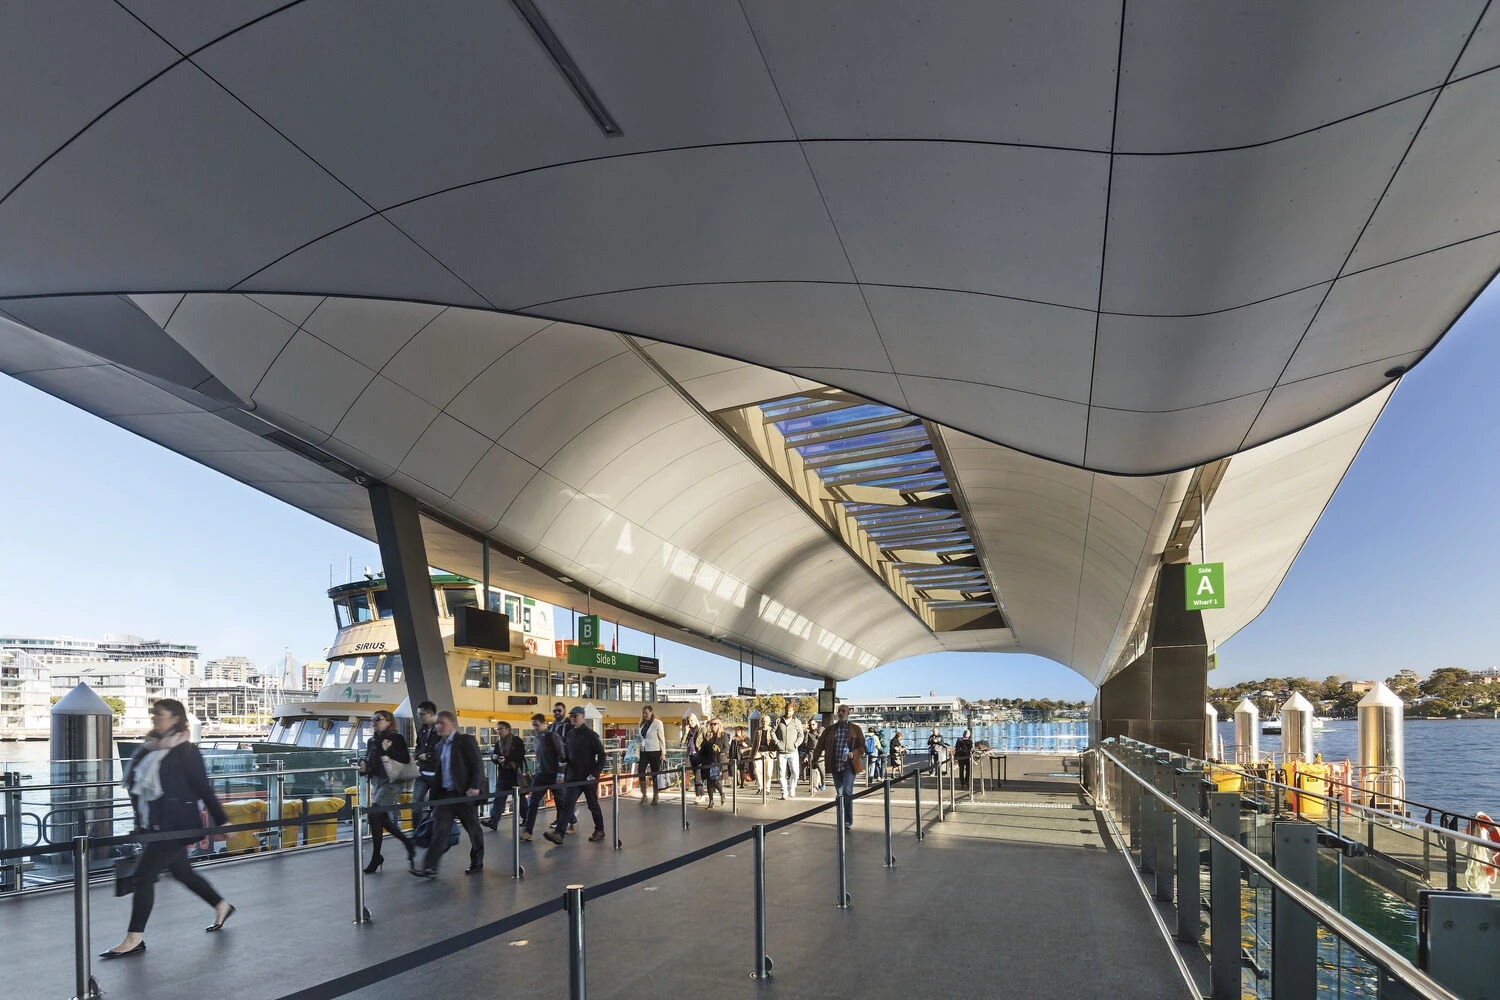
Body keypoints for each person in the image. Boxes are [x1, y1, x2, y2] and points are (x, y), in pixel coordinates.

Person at [101, 698, 234, 959]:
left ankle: (133, 939)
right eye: (153, 714)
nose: (154, 719)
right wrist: (141, 823)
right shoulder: (149, 748)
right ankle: (222, 905)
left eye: (159, 715)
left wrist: (223, 820)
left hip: (176, 825)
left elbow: (203, 788)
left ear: (175, 718)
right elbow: (139, 790)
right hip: (156, 824)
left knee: (143, 877)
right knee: (182, 872)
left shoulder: (187, 750)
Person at [411, 711, 484, 877]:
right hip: (445, 797)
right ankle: (429, 867)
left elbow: (477, 765)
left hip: (464, 796)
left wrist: (474, 787)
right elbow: (440, 773)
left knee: (473, 831)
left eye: (442, 723)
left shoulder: (465, 741)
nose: (438, 726)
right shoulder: (438, 747)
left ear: (452, 724)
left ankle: (477, 862)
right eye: (437, 723)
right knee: (439, 831)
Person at [357, 709, 416, 873]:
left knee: (374, 813)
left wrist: (387, 749)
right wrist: (364, 766)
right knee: (380, 818)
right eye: (372, 718)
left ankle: (377, 856)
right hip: (378, 782)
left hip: (392, 782)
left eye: (377, 718)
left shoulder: (396, 738)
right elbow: (369, 760)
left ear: (389, 722)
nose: (374, 721)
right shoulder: (372, 741)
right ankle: (407, 843)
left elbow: (404, 758)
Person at [544, 707, 607, 844]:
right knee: (567, 805)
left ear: (583, 717)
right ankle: (559, 833)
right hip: (574, 777)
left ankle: (599, 830)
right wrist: (563, 766)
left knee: (593, 804)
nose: (572, 718)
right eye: (571, 716)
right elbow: (567, 754)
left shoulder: (591, 735)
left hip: (588, 777)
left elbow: (602, 755)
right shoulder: (571, 735)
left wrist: (594, 773)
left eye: (575, 716)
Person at [814, 704, 864, 829]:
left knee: (847, 791)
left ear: (848, 714)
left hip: (849, 765)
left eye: (843, 711)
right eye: (839, 711)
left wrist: (854, 753)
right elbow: (820, 745)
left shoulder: (855, 729)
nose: (841, 713)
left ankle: (847, 821)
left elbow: (862, 746)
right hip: (835, 765)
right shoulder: (830, 730)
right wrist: (814, 760)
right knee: (840, 793)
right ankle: (841, 819)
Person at [522, 713, 565, 842]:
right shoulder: (536, 739)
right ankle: (528, 831)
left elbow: (561, 755)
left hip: (554, 775)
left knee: (560, 804)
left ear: (543, 723)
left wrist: (561, 773)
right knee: (533, 802)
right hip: (540, 775)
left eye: (537, 725)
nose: (535, 727)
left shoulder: (553, 737)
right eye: (533, 725)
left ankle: (562, 829)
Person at [482, 721, 525, 830]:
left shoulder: (517, 741)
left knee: (521, 798)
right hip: (503, 773)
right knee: (499, 797)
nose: (498, 731)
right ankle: (493, 821)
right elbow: (495, 757)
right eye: (497, 729)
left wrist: (507, 758)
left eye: (500, 729)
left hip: (515, 773)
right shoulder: (498, 743)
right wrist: (495, 759)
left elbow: (520, 755)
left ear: (507, 729)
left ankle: (526, 818)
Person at [409, 701, 440, 828]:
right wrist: (416, 755)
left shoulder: (441, 729)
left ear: (431, 714)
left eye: (421, 714)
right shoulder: (422, 730)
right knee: (415, 804)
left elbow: (446, 750)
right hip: (423, 773)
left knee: (436, 807)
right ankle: (418, 831)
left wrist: (429, 756)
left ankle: (434, 832)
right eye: (418, 715)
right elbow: (419, 746)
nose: (419, 717)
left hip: (439, 775)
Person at [550, 701, 577, 833]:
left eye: (559, 711)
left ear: (564, 712)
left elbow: (572, 743)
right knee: (558, 794)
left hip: (566, 764)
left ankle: (572, 820)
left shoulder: (569, 726)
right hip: (554, 764)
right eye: (555, 711)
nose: (556, 713)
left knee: (564, 795)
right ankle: (561, 818)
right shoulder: (551, 726)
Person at [772, 704, 804, 799]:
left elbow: (801, 735)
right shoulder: (778, 721)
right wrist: (777, 742)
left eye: (790, 711)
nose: (787, 712)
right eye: (786, 710)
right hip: (781, 752)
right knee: (782, 774)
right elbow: (772, 731)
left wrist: (796, 744)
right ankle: (784, 792)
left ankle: (792, 788)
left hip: (793, 751)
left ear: (793, 711)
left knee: (795, 772)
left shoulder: (797, 722)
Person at [636, 704, 666, 804]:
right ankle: (644, 795)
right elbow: (639, 738)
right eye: (643, 713)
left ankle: (655, 795)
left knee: (655, 773)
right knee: (641, 771)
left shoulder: (658, 723)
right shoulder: (642, 724)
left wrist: (663, 752)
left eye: (646, 713)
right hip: (643, 750)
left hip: (655, 750)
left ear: (651, 712)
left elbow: (662, 738)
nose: (644, 715)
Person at [697, 718, 727, 808]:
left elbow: (726, 748)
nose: (713, 726)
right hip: (708, 761)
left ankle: (722, 793)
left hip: (717, 761)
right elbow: (703, 746)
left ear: (719, 725)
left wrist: (720, 751)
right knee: (709, 782)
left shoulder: (723, 735)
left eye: (715, 724)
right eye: (711, 724)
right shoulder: (708, 735)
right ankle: (711, 801)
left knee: (714, 781)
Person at [682, 713, 705, 801]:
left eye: (691, 720)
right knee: (696, 775)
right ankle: (700, 794)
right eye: (688, 721)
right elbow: (683, 742)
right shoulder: (689, 731)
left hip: (699, 754)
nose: (690, 722)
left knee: (698, 776)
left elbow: (706, 740)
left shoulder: (701, 729)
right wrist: (686, 732)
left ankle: (700, 795)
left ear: (695, 720)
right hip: (691, 755)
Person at [802, 719, 825, 793]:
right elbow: (805, 744)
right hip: (811, 753)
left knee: (821, 770)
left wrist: (820, 733)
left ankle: (823, 783)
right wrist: (806, 733)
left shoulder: (819, 730)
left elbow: (823, 728)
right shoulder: (808, 733)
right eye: (810, 725)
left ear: (816, 724)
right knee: (813, 770)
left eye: (813, 724)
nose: (811, 726)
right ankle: (814, 786)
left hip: (820, 753)